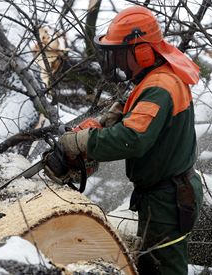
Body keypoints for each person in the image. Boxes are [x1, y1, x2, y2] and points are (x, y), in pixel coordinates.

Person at [57, 5, 204, 275]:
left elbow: (133, 139)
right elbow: (140, 117)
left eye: (120, 55)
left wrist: (83, 142)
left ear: (143, 51)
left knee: (162, 270)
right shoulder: (156, 78)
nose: (117, 62)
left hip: (167, 200)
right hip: (165, 194)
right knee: (149, 264)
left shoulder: (160, 86)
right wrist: (110, 119)